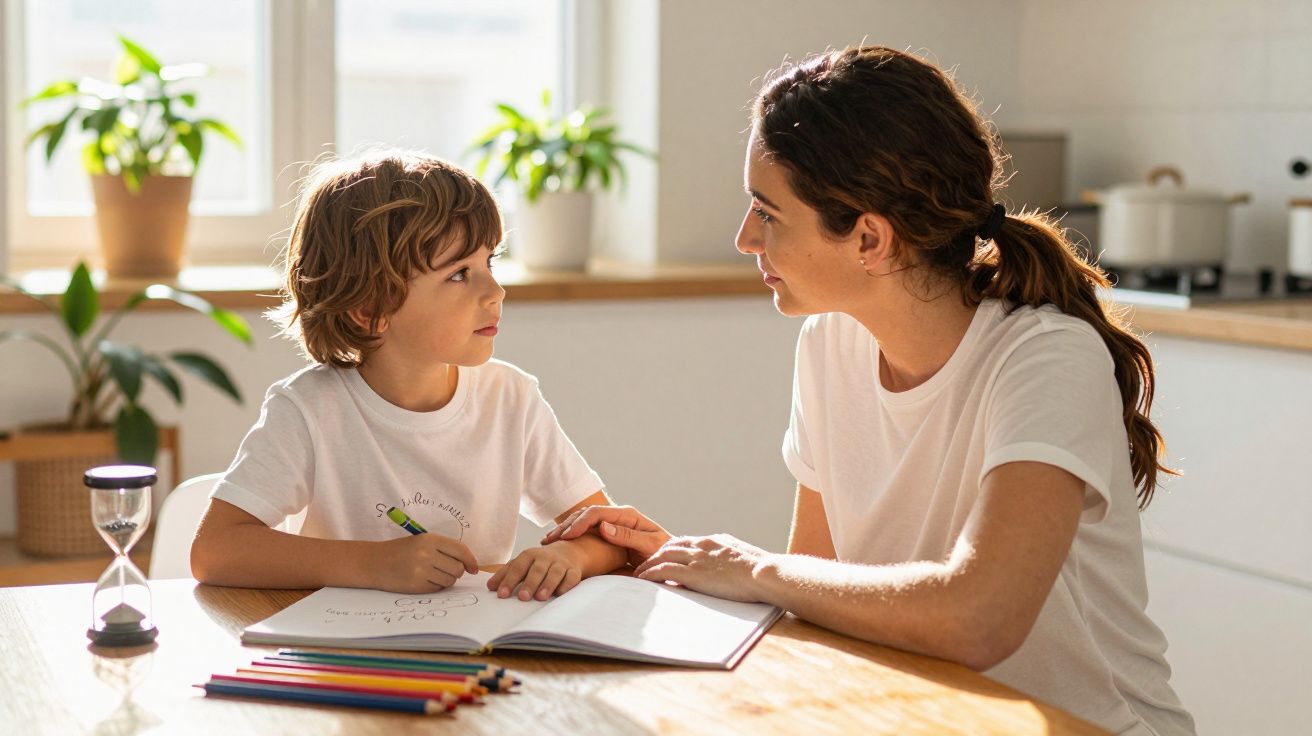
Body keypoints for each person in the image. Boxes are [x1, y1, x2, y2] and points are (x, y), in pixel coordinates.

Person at [543, 47, 1195, 735]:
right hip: (926, 717)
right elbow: (816, 586)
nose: (743, 238)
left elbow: (979, 619)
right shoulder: (830, 343)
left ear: (870, 240)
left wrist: (753, 569)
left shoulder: (1046, 359)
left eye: (767, 213)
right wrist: (692, 566)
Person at [191, 150, 626, 599]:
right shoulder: (308, 410)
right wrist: (376, 564)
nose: (495, 291)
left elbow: (612, 536)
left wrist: (569, 557)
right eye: (460, 274)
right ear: (370, 309)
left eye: (488, 264)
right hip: (343, 655)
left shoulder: (512, 399)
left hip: (475, 653)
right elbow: (215, 550)